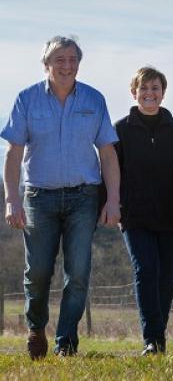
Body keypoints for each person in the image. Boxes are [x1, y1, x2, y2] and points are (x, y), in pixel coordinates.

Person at [2, 36, 120, 359]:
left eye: (72, 59)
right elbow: (13, 154)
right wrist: (12, 199)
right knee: (38, 271)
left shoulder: (94, 100)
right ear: (46, 64)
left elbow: (108, 153)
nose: (67, 65)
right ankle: (36, 328)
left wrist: (113, 200)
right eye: (59, 59)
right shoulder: (26, 100)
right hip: (39, 196)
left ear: (79, 63)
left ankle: (65, 342)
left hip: (84, 196)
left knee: (78, 272)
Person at [115, 67, 173, 356]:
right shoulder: (120, 129)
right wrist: (113, 206)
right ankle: (152, 338)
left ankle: (158, 336)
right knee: (146, 269)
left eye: (155, 88)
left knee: (167, 277)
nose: (150, 94)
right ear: (133, 92)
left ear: (163, 92)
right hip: (134, 216)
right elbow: (111, 173)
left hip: (169, 217)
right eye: (144, 89)